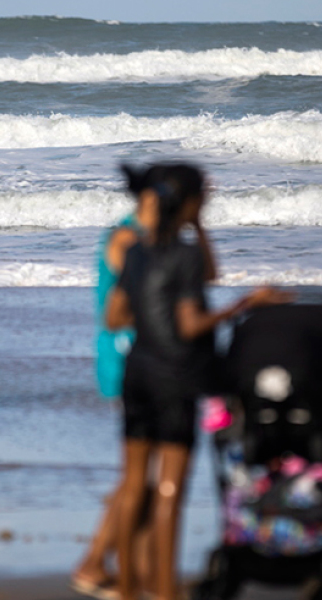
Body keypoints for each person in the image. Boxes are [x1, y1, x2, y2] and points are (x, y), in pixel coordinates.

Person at [104, 163, 290, 600]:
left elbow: (115, 317)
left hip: (138, 374)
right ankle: (166, 593)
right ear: (189, 202)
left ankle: (129, 590)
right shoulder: (183, 254)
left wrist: (196, 226)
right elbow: (190, 325)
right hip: (176, 377)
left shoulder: (133, 251)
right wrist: (246, 304)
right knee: (169, 489)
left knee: (133, 486)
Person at [73, 164, 218, 599]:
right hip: (131, 356)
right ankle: (96, 560)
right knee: (138, 475)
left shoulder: (159, 242)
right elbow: (135, 302)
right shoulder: (128, 239)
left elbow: (199, 277)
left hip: (148, 355)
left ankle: (134, 568)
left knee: (145, 475)